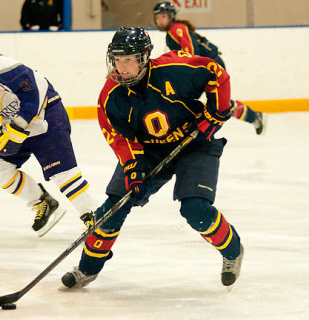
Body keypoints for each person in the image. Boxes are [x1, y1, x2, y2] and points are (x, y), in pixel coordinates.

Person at [61, 27, 244, 289]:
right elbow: (118, 137)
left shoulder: (174, 68)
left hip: (194, 143)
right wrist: (132, 166)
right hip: (148, 151)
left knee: (195, 209)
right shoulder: (111, 95)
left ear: (145, 56)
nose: (121, 68)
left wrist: (217, 110)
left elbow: (217, 73)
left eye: (128, 60)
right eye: (117, 60)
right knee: (114, 207)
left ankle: (233, 250)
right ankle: (87, 269)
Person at [0, 25, 95, 237]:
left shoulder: (5, 68)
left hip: (46, 115)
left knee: (61, 172)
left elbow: (35, 96)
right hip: (16, 124)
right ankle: (43, 202)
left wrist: (15, 128)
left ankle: (94, 215)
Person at [153, 1, 267, 135]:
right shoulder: (173, 32)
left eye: (163, 17)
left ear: (171, 16)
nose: (160, 20)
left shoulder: (177, 29)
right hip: (206, 67)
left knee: (212, 102)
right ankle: (254, 116)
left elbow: (191, 53)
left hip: (210, 68)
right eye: (158, 18)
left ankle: (253, 116)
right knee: (214, 102)